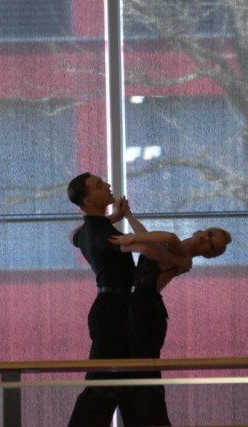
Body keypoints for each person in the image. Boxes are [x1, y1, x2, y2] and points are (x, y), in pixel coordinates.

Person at [66, 172, 189, 427]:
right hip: (113, 312)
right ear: (89, 201)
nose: (108, 185)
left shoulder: (91, 230)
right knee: (103, 386)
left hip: (112, 308)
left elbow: (73, 236)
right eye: (99, 185)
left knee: (119, 383)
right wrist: (181, 262)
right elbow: (144, 248)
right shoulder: (102, 233)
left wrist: (116, 217)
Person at [109, 207, 232, 426]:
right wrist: (128, 217)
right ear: (202, 231)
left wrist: (128, 240)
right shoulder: (177, 253)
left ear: (208, 254)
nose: (206, 239)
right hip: (140, 307)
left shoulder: (182, 255)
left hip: (146, 310)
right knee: (134, 372)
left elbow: (163, 239)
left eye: (212, 245)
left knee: (142, 373)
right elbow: (149, 240)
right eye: (210, 234)